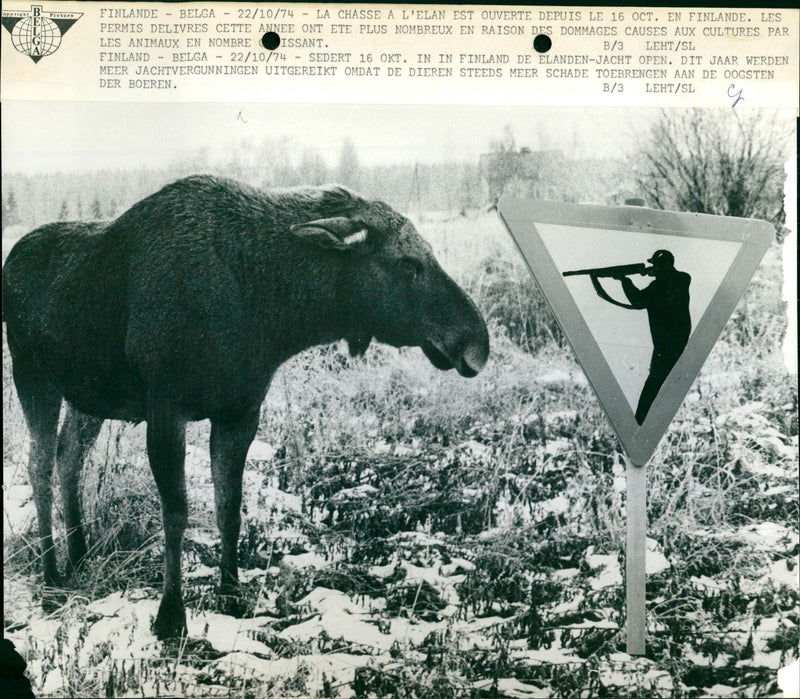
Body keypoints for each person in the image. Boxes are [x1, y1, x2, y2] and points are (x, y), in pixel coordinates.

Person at [590, 250, 691, 425]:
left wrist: (625, 280)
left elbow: (637, 301)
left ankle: (641, 421)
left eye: (656, 265)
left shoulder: (663, 284)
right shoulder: (681, 279)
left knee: (655, 383)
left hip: (666, 343)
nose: (654, 268)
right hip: (678, 338)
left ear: (664, 266)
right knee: (661, 381)